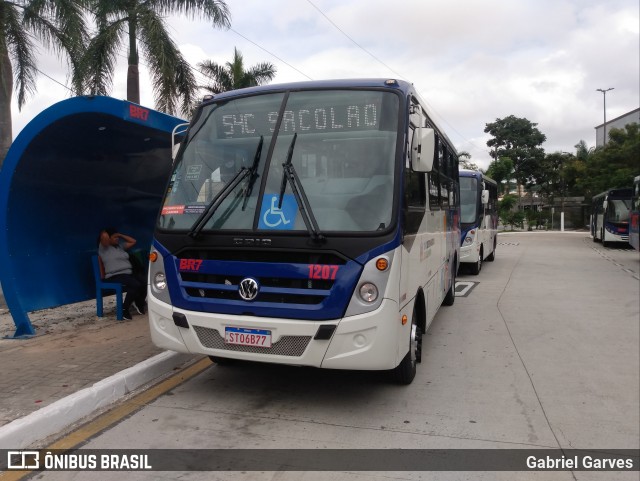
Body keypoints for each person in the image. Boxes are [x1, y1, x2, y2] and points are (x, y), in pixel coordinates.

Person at [97, 227, 147, 320]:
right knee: (135, 285)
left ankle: (139, 302)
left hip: (128, 274)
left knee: (145, 282)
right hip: (115, 275)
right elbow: (103, 236)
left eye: (117, 237)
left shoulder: (120, 246)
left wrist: (119, 234)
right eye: (114, 237)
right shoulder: (104, 248)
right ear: (108, 238)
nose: (117, 239)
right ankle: (124, 308)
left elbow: (133, 241)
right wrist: (107, 232)